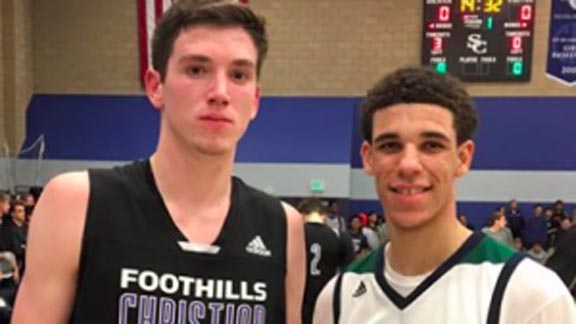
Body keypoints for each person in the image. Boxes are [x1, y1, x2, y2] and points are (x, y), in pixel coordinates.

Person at [13, 1, 306, 323]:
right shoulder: (76, 202)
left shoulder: (283, 226)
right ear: (155, 86)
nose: (220, 92)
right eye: (197, 69)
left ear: (254, 100)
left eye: (238, 74)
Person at [312, 66, 575, 323]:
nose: (409, 165)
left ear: (462, 158)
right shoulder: (337, 298)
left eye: (432, 145)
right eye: (390, 145)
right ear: (369, 159)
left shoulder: (532, 296)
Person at [298, 198, 354, 324]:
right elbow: (349, 269)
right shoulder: (339, 236)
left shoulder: (295, 233)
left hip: (301, 295)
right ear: (324, 215)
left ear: (301, 214)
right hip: (329, 292)